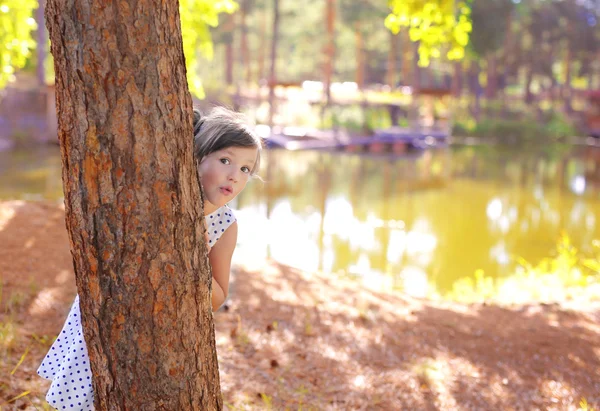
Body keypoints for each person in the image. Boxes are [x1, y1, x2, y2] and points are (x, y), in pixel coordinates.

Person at [37, 106, 262, 410]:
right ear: (196, 157)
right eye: (225, 161)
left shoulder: (225, 225)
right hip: (112, 311)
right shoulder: (160, 197)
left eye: (246, 169)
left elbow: (217, 297)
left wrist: (195, 261)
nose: (235, 176)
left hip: (161, 331)